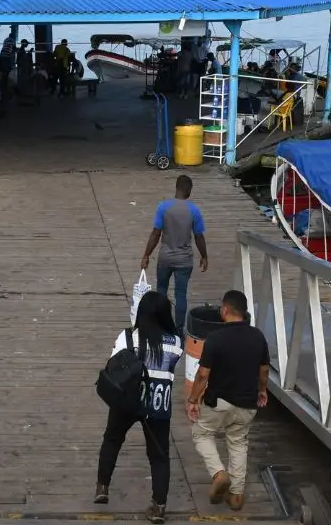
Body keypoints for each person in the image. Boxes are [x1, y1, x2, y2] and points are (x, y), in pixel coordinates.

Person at [95, 290, 182, 523]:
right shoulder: (176, 343)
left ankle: (102, 487)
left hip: (128, 399)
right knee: (159, 455)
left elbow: (113, 363)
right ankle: (159, 506)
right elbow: (172, 364)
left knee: (112, 439)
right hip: (158, 403)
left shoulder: (127, 337)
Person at [186, 289, 269, 511]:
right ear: (244, 313)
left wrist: (193, 400)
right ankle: (236, 495)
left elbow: (203, 375)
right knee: (238, 442)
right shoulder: (258, 336)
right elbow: (263, 370)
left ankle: (218, 473)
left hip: (219, 402)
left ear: (224, 310)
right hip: (247, 403)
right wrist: (262, 390)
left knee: (201, 433)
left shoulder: (215, 338)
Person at [140, 175, 208, 334]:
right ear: (189, 190)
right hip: (184, 261)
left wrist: (146, 255)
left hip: (165, 258)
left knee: (161, 291)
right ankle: (178, 330)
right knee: (181, 294)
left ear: (176, 187)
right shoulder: (194, 211)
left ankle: (161, 325)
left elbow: (156, 233)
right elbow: (199, 236)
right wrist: (204, 256)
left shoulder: (163, 207)